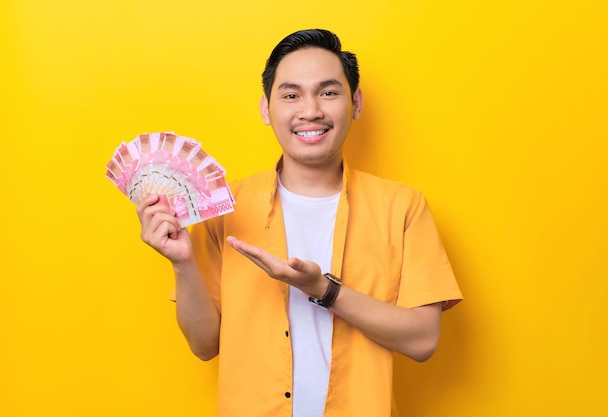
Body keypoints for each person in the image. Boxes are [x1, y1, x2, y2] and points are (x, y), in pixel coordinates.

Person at [137, 28, 462, 417]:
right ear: (265, 108)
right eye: (291, 95)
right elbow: (204, 345)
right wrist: (182, 263)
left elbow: (423, 340)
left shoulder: (402, 206)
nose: (310, 110)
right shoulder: (223, 208)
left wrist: (322, 289)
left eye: (328, 92)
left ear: (356, 102)